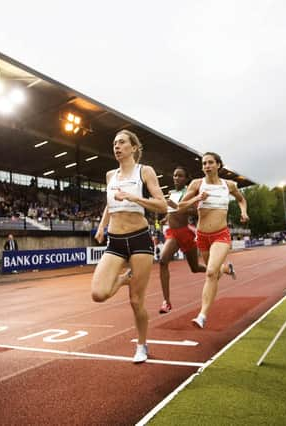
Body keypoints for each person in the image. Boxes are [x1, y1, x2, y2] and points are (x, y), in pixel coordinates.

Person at [91, 129, 167, 363]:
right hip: (115, 240)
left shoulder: (144, 171)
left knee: (136, 301)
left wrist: (135, 198)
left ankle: (141, 345)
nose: (117, 146)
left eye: (122, 142)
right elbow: (108, 202)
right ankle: (124, 279)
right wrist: (101, 226)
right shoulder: (109, 175)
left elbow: (162, 205)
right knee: (98, 293)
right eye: (114, 143)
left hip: (139, 239)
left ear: (133, 147)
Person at [177, 152, 248, 329]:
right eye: (204, 163)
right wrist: (197, 198)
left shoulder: (229, 185)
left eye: (210, 163)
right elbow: (180, 206)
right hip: (202, 236)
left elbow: (241, 199)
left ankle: (202, 315)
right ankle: (226, 268)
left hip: (221, 235)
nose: (207, 166)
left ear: (218, 165)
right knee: (214, 273)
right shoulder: (197, 184)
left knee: (209, 273)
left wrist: (243, 212)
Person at [158, 167, 207, 314]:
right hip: (172, 234)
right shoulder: (171, 193)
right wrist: (166, 218)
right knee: (162, 261)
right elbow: (172, 212)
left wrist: (178, 207)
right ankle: (166, 302)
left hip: (185, 232)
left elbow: (195, 210)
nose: (176, 178)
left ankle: (214, 270)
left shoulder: (189, 192)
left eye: (180, 176)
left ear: (186, 179)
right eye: (174, 175)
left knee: (195, 268)